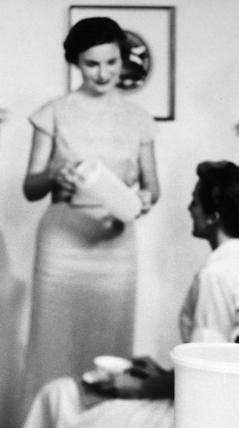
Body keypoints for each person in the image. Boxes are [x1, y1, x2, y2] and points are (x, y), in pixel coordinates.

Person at [13, 161, 239, 428]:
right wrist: (158, 372)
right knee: (84, 393)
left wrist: (136, 387)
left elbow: (203, 376)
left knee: (62, 397)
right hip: (238, 404)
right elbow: (225, 356)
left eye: (195, 203)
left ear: (213, 217)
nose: (189, 209)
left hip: (203, 413)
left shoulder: (216, 275)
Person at [20, 16, 160, 402]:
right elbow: (30, 188)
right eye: (92, 64)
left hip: (114, 244)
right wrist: (52, 174)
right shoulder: (53, 112)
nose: (103, 73)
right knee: (53, 343)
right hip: (63, 243)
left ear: (123, 60)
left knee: (109, 349)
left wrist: (143, 201)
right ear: (76, 63)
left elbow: (153, 187)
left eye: (111, 62)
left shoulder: (138, 118)